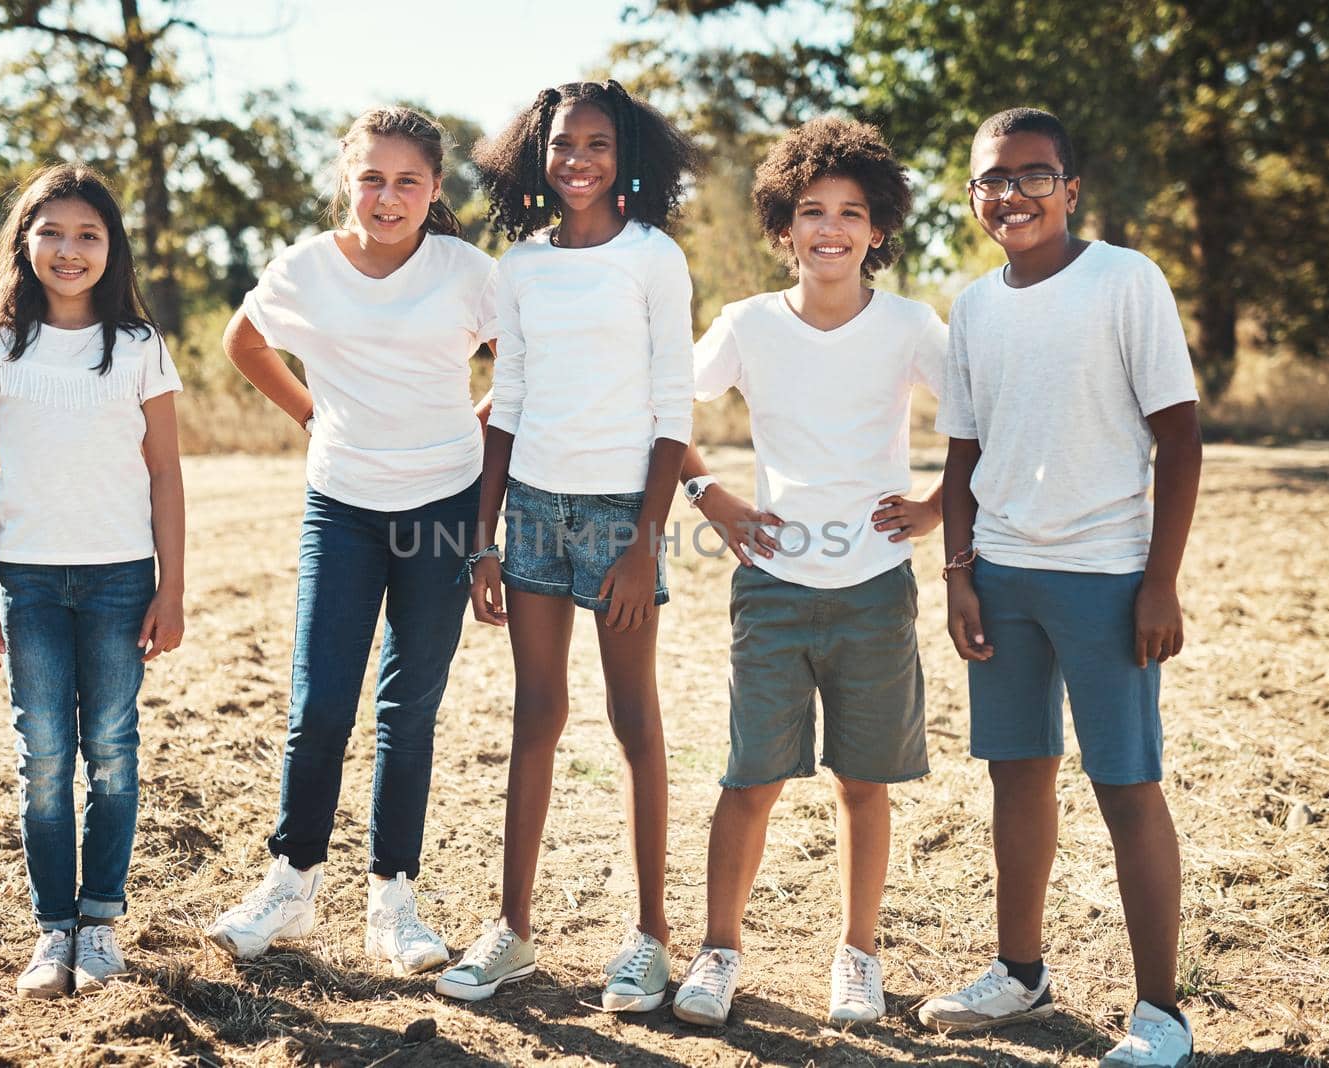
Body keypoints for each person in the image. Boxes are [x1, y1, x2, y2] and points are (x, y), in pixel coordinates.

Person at [918, 107, 1202, 1068]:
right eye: (992, 179)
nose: (1012, 194)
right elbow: (962, 456)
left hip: (1108, 577)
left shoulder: (1126, 281)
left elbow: (1180, 437)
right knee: (1016, 777)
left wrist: (1160, 580)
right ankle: (1021, 974)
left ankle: (1161, 1012)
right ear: (972, 195)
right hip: (1002, 574)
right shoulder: (974, 306)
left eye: (1034, 176)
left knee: (1126, 787)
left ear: (1070, 189)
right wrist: (959, 576)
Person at [664, 117, 946, 1028]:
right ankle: (718, 951)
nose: (832, 228)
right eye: (812, 211)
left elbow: (985, 412)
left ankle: (857, 955)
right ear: (783, 227)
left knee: (862, 782)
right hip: (775, 584)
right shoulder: (747, 324)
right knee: (751, 779)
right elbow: (666, 404)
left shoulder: (910, 326)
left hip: (874, 586)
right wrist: (712, 497)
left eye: (852, 213)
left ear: (878, 228)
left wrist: (939, 507)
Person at [202, 107, 496, 976]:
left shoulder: (467, 272)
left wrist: (479, 434)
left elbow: (522, 363)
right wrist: (307, 414)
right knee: (320, 704)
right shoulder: (305, 269)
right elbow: (242, 341)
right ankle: (289, 886)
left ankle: (393, 902)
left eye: (409, 180)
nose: (388, 195)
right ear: (347, 181)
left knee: (408, 713)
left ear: (436, 190)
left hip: (443, 510)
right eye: (372, 177)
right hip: (342, 507)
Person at [434, 81, 700, 1012]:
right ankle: (511, 931)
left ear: (625, 153)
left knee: (635, 723)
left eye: (596, 142)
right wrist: (483, 540)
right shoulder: (521, 267)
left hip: (625, 512)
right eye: (561, 143)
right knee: (536, 715)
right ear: (535, 157)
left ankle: (651, 939)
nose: (577, 158)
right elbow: (505, 405)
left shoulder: (655, 260)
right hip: (534, 511)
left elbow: (675, 411)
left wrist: (644, 543)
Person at [0, 164, 185, 999]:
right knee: (45, 758)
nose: (69, 249)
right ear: (24, 242)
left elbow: (165, 474)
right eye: (52, 231)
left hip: (122, 579)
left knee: (112, 754)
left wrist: (173, 587)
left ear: (112, 248)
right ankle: (53, 930)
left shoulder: (139, 347)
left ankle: (100, 924)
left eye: (89, 234)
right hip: (30, 584)